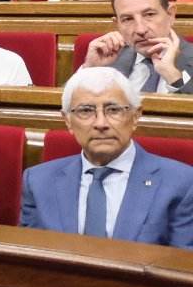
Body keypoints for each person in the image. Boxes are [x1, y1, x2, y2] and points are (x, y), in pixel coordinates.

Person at [22, 67, 193, 246]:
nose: (101, 123)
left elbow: (182, 266)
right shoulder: (38, 182)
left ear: (135, 116)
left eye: (113, 110)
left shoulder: (181, 184)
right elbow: (30, 263)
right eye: (86, 111)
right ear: (67, 121)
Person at [82, 0, 193, 94]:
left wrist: (173, 76)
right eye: (128, 19)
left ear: (170, 14)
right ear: (117, 24)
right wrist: (89, 69)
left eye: (149, 15)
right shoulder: (109, 59)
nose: (140, 29)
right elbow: (67, 107)